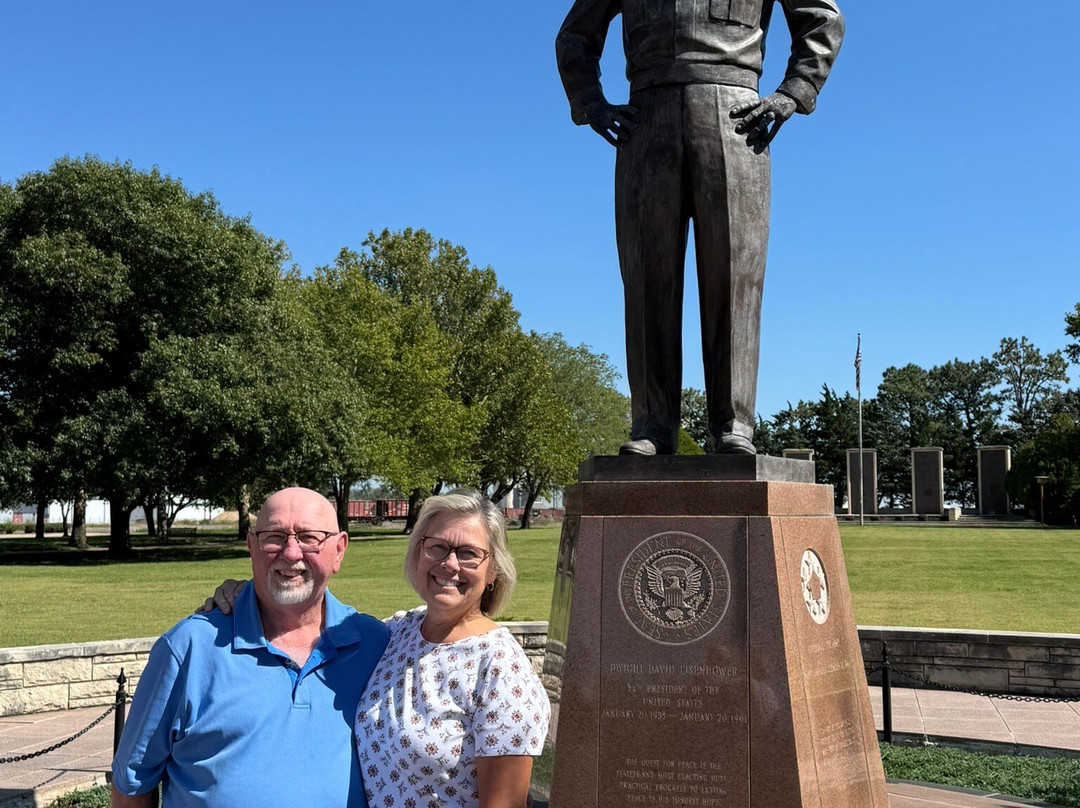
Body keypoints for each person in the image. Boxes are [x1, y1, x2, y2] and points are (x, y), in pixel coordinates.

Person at [556, 0, 844, 456]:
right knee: (648, 278)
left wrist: (794, 90)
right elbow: (575, 35)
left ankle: (735, 424)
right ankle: (653, 424)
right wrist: (589, 102)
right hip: (646, 118)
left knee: (734, 276)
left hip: (736, 116)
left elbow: (822, 18)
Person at [206, 489, 550, 808]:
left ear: (493, 572)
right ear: (418, 553)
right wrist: (247, 594)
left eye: (469, 554)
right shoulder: (394, 633)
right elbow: (307, 620)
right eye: (438, 547)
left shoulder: (501, 668)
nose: (450, 564)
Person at [111, 487, 389, 808]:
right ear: (251, 546)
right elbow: (132, 784)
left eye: (309, 537)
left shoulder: (376, 644)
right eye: (273, 537)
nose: (290, 552)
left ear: (339, 550)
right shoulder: (190, 648)